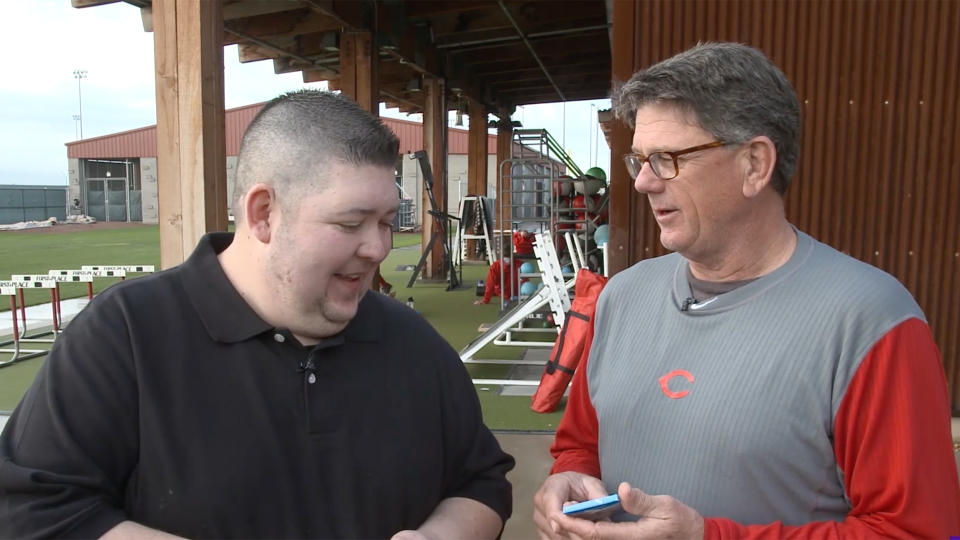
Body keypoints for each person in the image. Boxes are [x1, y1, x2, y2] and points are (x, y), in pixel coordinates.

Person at [0, 90, 514, 539]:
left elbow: (481, 482)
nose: (377, 247)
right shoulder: (127, 334)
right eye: (351, 222)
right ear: (263, 213)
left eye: (386, 221)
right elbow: (35, 509)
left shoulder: (411, 342)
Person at [533, 42, 960, 539]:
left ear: (755, 164)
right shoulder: (622, 298)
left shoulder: (870, 322)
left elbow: (917, 531)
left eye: (667, 158)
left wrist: (705, 536)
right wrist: (569, 478)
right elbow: (581, 442)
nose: (644, 182)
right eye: (639, 160)